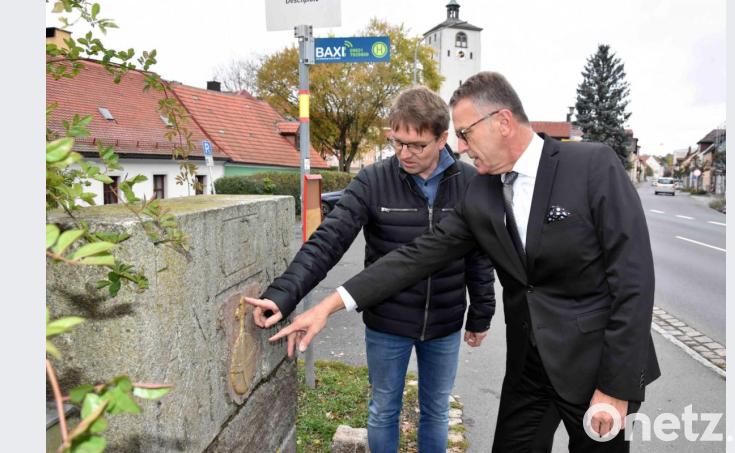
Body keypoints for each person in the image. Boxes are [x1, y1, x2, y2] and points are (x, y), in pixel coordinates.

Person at [265, 72, 661, 452]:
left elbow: (633, 281)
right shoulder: (483, 192)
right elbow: (414, 257)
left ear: (502, 121)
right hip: (529, 371)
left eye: (466, 134)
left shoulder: (592, 166)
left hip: (594, 368)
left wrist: (616, 385)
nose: (463, 147)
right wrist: (329, 305)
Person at [245, 86, 496, 453]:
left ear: (443, 139)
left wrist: (481, 313)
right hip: (387, 322)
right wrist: (283, 294)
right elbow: (328, 241)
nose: (404, 154)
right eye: (398, 143)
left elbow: (478, 255)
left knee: (436, 411)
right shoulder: (374, 180)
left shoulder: (470, 182)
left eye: (417, 145)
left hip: (443, 321)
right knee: (383, 410)